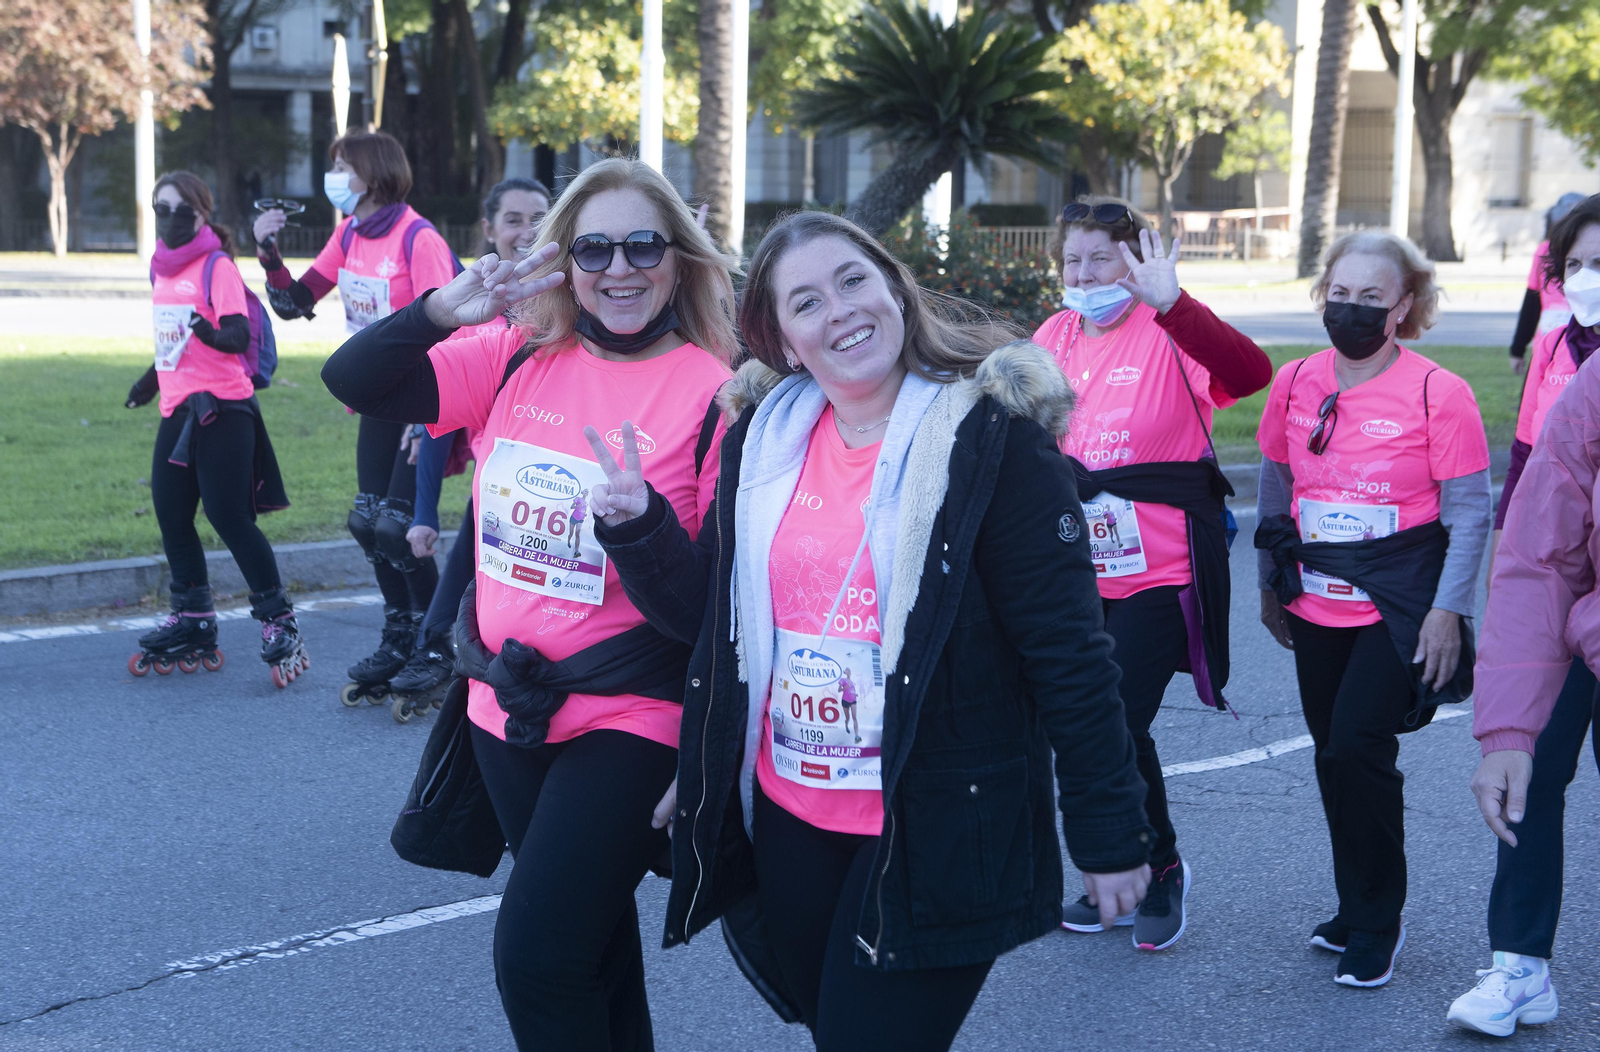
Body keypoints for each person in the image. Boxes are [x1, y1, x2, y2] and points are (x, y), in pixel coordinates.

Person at [585, 210, 1154, 1051]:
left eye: (853, 280)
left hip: (937, 815)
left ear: (893, 286)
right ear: (780, 336)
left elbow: (1069, 654)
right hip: (793, 816)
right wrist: (638, 529)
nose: (840, 310)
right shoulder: (763, 439)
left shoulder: (991, 441)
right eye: (806, 301)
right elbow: (719, 621)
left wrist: (1111, 831)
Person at [321, 157, 736, 1050]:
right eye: (593, 249)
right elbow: (354, 382)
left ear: (679, 260)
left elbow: (713, 607)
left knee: (538, 956)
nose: (618, 269)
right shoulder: (513, 355)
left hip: (631, 720)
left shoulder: (717, 391)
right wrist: (440, 310)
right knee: (592, 950)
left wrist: (640, 527)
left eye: (641, 246)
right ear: (563, 262)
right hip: (501, 710)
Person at [1033, 197, 1273, 950]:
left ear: (1134, 262)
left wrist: (1176, 304)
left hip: (1160, 570)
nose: (1083, 274)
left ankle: (1157, 868)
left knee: (1113, 718)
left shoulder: (1168, 330)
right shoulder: (1053, 334)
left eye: (1100, 258)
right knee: (1095, 721)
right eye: (1072, 260)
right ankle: (1126, 866)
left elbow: (1251, 371)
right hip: (1075, 568)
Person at [1254, 231, 1492, 987]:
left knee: (1358, 746)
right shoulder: (1294, 380)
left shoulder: (1437, 392)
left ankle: (1379, 918)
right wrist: (1271, 583)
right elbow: (1274, 485)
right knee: (1333, 757)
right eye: (1340, 294)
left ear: (1405, 307)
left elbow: (1470, 513)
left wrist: (1448, 612)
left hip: (1399, 602)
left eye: (1371, 299)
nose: (1351, 310)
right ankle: (1353, 904)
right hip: (1317, 595)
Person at [1448, 195, 1600, 1037]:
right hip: (1574, 622)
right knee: (1532, 778)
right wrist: (1505, 729)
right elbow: (1538, 544)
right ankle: (1519, 966)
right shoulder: (1570, 368)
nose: (1590, 280)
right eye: (1578, 263)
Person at [252, 131, 459, 703]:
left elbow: (453, 324)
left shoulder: (417, 237)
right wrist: (269, 253)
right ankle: (401, 633)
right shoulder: (350, 233)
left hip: (424, 398)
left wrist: (430, 418)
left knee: (398, 526)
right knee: (366, 522)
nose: (335, 177)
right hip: (377, 400)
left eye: (343, 166)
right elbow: (295, 304)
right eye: (334, 167)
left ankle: (439, 644)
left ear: (374, 173)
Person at [126, 171, 307, 687]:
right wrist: (148, 381)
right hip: (178, 408)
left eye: (180, 210)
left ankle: (279, 620)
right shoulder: (160, 271)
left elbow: (235, 335)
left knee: (229, 517)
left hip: (225, 411)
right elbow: (171, 343)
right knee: (172, 514)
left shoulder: (216, 266)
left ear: (201, 216)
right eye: (161, 209)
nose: (169, 219)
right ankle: (194, 617)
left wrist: (207, 330)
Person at [388, 177, 555, 719]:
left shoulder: (579, 298)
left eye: (539, 218)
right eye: (513, 220)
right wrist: (423, 514)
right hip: (503, 481)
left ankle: (438, 647)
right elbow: (438, 424)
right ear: (487, 229)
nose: (527, 232)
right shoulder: (479, 311)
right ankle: (434, 645)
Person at [1508, 193, 1586, 374]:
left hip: (1582, 349)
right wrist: (1517, 349)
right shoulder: (1544, 251)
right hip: (1545, 348)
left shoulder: (1590, 254)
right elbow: (1532, 303)